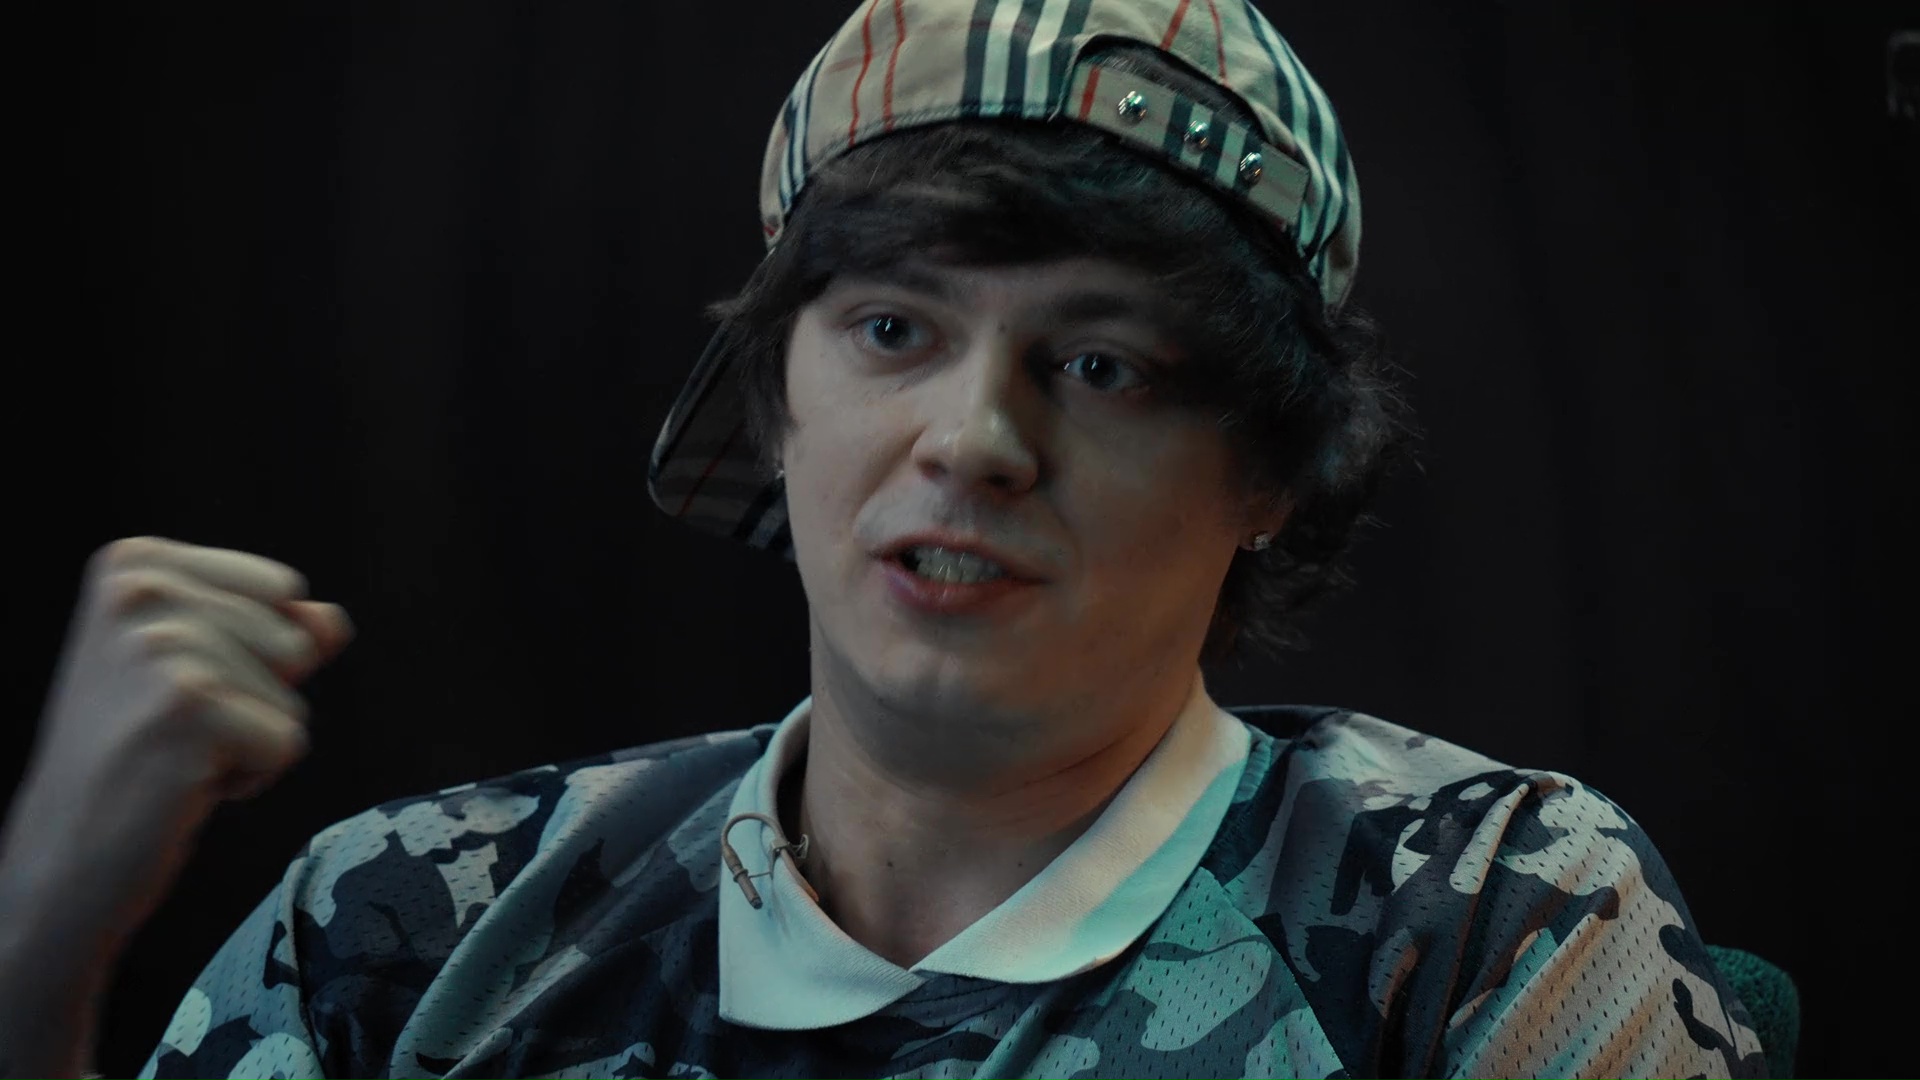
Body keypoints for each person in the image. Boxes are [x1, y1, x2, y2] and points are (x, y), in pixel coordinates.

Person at [0, 1, 1772, 1077]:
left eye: (1100, 363)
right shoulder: (411, 920)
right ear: (775, 406)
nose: (974, 441)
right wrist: (41, 935)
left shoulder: (1475, 914)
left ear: (1271, 478)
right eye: (892, 329)